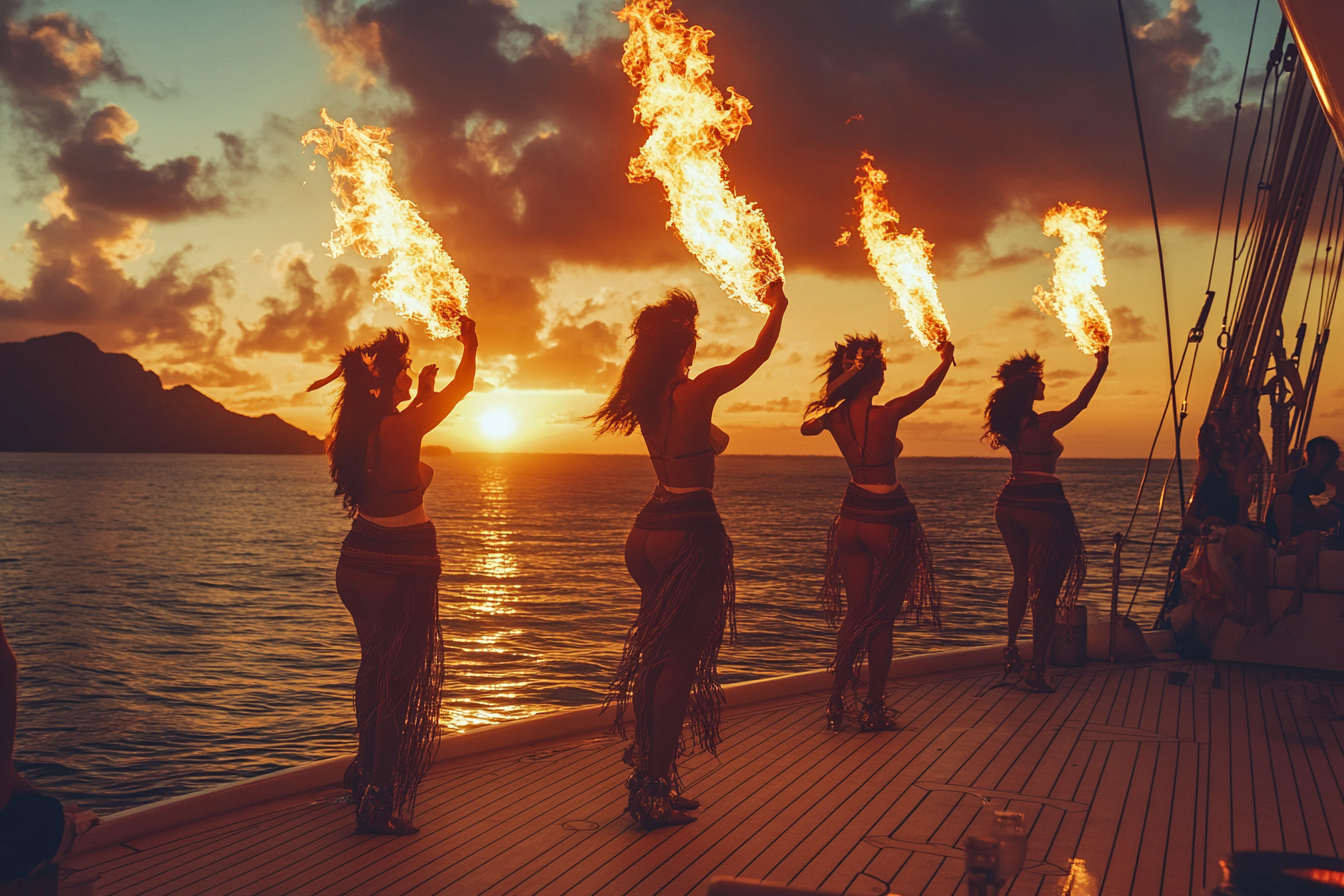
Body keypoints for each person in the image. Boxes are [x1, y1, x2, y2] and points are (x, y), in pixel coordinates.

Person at [590, 282, 787, 829]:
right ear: (684, 346)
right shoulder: (693, 393)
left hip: (648, 530)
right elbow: (759, 354)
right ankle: (653, 786)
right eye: (694, 339)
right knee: (679, 658)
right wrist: (778, 308)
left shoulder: (652, 398)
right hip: (688, 532)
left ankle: (650, 771)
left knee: (657, 655)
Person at [309, 319, 477, 835]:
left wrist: (418, 397)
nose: (410, 375)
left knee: (372, 671)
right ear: (385, 380)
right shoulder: (402, 427)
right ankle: (379, 799)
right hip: (397, 568)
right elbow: (464, 388)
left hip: (356, 562)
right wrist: (471, 345)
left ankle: (363, 771)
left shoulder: (362, 429)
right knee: (396, 685)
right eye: (405, 370)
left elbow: (399, 433)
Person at [800, 336, 951, 732]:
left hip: (850, 521)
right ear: (869, 378)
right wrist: (946, 358)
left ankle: (835, 702)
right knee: (881, 621)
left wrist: (835, 398)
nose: (885, 380)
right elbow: (929, 390)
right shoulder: (886, 414)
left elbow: (805, 429)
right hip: (886, 520)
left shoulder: (834, 419)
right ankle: (872, 707)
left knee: (855, 614)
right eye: (881, 373)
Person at [984, 347, 1107, 693]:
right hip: (1043, 505)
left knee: (1021, 577)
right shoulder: (1043, 422)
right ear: (1028, 390)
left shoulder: (1008, 424)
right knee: (1047, 588)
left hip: (1008, 502)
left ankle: (1011, 649)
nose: (1045, 387)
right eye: (1040, 383)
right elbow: (1082, 403)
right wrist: (1101, 368)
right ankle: (1037, 668)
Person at [1182, 421, 1271, 634]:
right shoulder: (1210, 475)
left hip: (1238, 529)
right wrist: (1208, 522)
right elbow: (1188, 519)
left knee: (1257, 540)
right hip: (1219, 534)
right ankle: (1259, 610)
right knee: (1253, 540)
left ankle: (1253, 610)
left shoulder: (1240, 473)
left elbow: (1257, 452)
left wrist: (1251, 429)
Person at [1273, 435, 1344, 618]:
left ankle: (1297, 594)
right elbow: (1278, 499)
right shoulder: (1294, 477)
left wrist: (1326, 510)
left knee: (1312, 536)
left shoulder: (1335, 477)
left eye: (1327, 454)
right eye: (1320, 453)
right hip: (1291, 523)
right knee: (1283, 499)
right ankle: (1286, 542)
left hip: (1316, 524)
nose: (1323, 457)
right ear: (1309, 454)